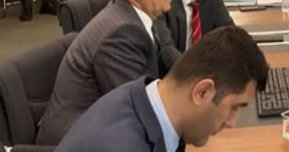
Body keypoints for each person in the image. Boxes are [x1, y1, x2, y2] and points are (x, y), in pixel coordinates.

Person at [37, 0, 181, 146]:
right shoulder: (122, 34)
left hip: (101, 125)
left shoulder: (130, 15)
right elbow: (138, 108)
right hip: (77, 140)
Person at [56, 26, 269, 152]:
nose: (232, 123)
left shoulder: (143, 96)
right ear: (202, 92)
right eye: (234, 107)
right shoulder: (123, 144)